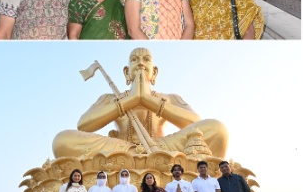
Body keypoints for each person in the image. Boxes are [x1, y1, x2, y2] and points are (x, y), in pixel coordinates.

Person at [53, 47, 228, 160]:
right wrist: (131, 100)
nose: (141, 63)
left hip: (163, 146)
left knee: (217, 129)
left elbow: (195, 125)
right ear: (126, 72)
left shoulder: (170, 97)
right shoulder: (109, 97)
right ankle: (141, 159)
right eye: (135, 60)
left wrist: (148, 100)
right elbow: (83, 125)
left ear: (155, 72)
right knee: (62, 140)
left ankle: (142, 160)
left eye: (146, 59)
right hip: (119, 149)